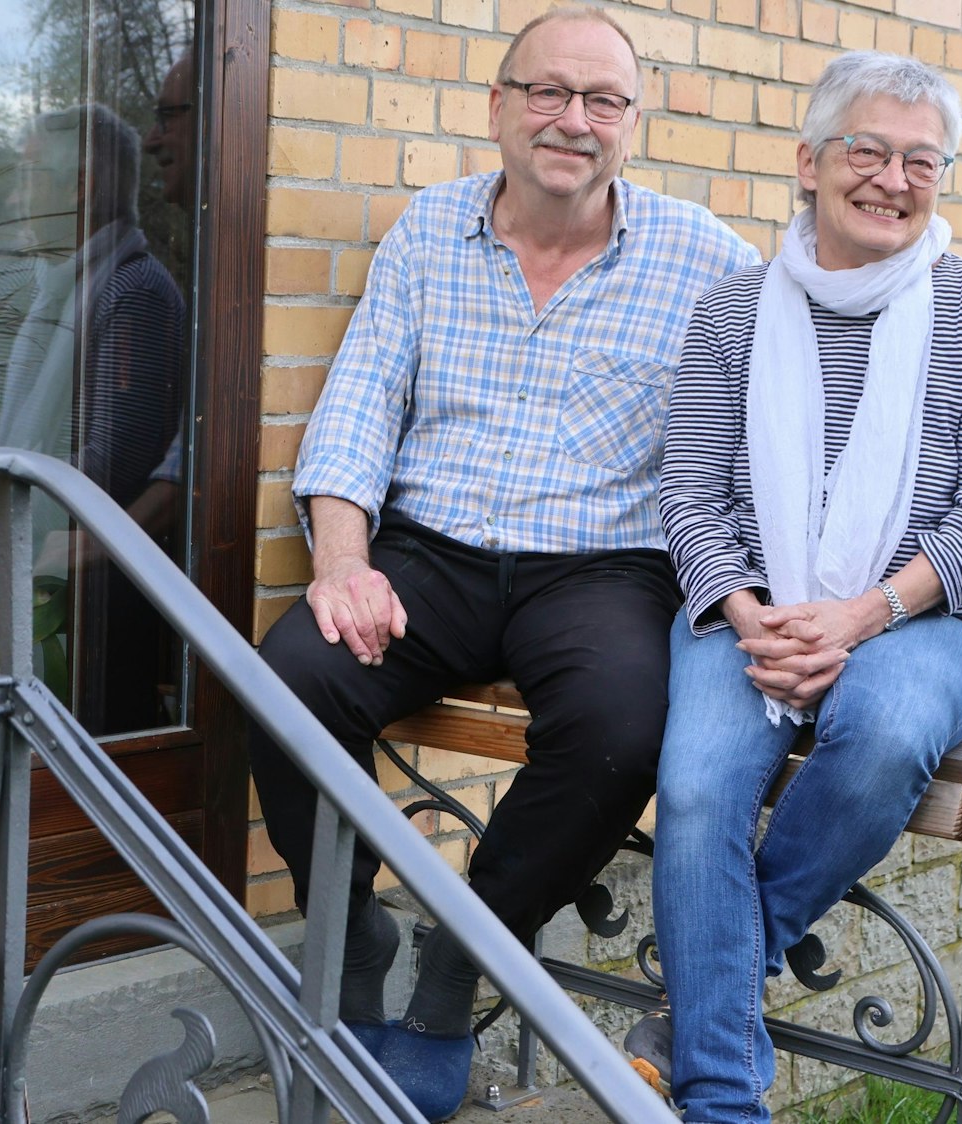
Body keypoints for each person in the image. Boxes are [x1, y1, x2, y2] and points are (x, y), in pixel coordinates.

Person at [245, 7, 758, 1118]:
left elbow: (793, 406)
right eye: (547, 92)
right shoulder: (429, 234)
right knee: (290, 677)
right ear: (498, 105)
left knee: (625, 728)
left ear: (635, 122)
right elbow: (359, 408)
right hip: (429, 552)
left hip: (603, 565)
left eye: (604, 100)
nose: (573, 120)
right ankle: (352, 928)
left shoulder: (710, 258)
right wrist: (343, 560)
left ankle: (462, 959)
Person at [646, 51, 962, 1123]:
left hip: (925, 610)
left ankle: (709, 993)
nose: (892, 177)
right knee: (694, 788)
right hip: (752, 608)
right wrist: (747, 609)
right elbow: (686, 490)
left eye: (923, 159)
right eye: (867, 149)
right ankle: (724, 1100)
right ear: (810, 162)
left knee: (878, 728)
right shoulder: (731, 312)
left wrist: (866, 612)